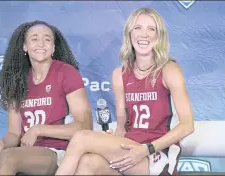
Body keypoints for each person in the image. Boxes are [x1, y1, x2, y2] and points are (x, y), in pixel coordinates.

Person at [55, 7, 194, 175]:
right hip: (129, 151)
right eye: (138, 28)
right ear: (129, 33)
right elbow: (122, 126)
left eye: (151, 29)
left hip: (157, 154)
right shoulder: (119, 75)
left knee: (81, 137)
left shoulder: (169, 70)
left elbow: (187, 125)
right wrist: (111, 139)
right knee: (87, 162)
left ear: (159, 36)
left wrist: (147, 149)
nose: (144, 34)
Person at [0, 20, 92, 175]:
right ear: (24, 47)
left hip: (57, 151)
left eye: (47, 39)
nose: (41, 43)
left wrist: (38, 129)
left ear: (53, 48)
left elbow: (84, 127)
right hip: (22, 151)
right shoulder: (18, 80)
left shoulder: (66, 73)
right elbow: (14, 134)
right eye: (34, 39)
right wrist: (2, 143)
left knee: (9, 158)